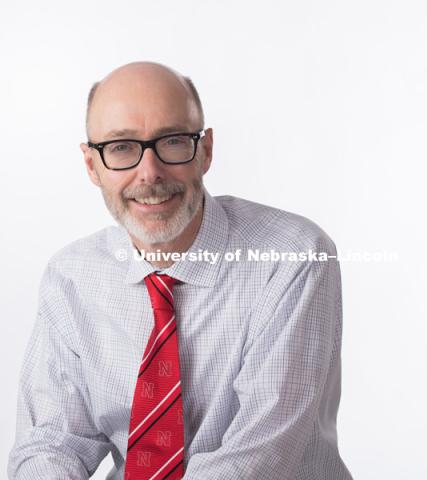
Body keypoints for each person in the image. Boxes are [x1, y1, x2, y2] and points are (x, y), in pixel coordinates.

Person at [8, 61, 353, 479]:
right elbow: (51, 441)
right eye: (121, 148)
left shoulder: (293, 257)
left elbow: (261, 456)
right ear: (91, 165)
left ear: (205, 150)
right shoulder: (71, 277)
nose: (149, 173)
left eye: (172, 142)